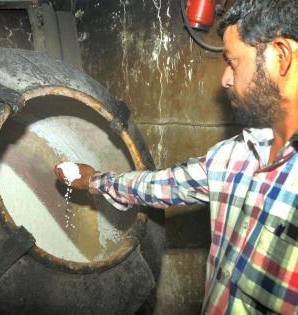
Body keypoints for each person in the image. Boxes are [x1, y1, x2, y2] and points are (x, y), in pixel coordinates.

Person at [54, 0, 298, 314]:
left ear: (281, 56)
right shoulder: (236, 155)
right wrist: (94, 180)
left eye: (233, 63)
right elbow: (163, 185)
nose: (224, 79)